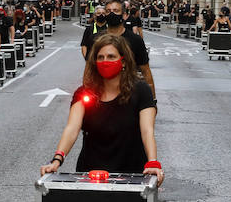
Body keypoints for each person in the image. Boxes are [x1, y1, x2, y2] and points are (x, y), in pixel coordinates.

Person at [39, 33, 163, 186]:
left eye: (111, 56)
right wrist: (57, 160)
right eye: (100, 57)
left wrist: (152, 162)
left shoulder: (141, 90)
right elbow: (72, 128)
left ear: (123, 61)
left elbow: (147, 131)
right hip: (90, 174)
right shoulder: (84, 93)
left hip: (132, 175)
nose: (105, 61)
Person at [83, 0, 154, 93]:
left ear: (124, 15)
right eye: (108, 11)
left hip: (128, 92)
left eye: (116, 11)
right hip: (100, 91)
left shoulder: (136, 40)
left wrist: (153, 99)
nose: (112, 14)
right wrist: (85, 91)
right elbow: (88, 69)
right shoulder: (95, 39)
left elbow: (146, 71)